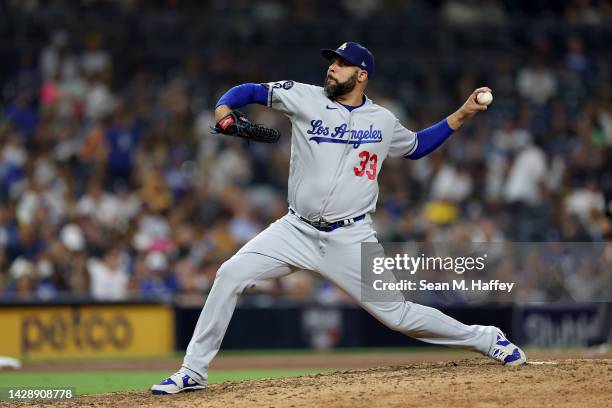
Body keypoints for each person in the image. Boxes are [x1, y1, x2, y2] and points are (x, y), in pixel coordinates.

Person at [152, 42, 527, 395]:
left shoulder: (381, 120)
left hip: (350, 238)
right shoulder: (304, 96)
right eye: (331, 62)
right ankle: (193, 371)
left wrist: (461, 114)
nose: (331, 68)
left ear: (361, 75)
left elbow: (415, 147)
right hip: (294, 229)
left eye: (341, 64)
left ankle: (488, 338)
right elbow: (248, 91)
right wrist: (222, 109)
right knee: (229, 274)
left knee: (399, 316)